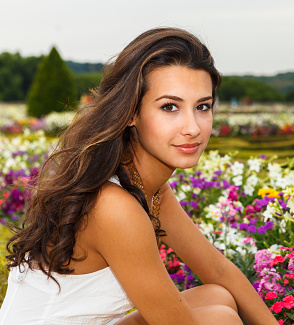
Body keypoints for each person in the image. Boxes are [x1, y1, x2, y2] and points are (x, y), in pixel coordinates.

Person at [0, 27, 279, 325]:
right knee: (220, 318)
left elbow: (219, 270)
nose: (193, 127)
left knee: (219, 295)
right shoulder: (115, 206)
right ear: (131, 112)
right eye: (170, 107)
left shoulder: (143, 184)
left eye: (203, 107)